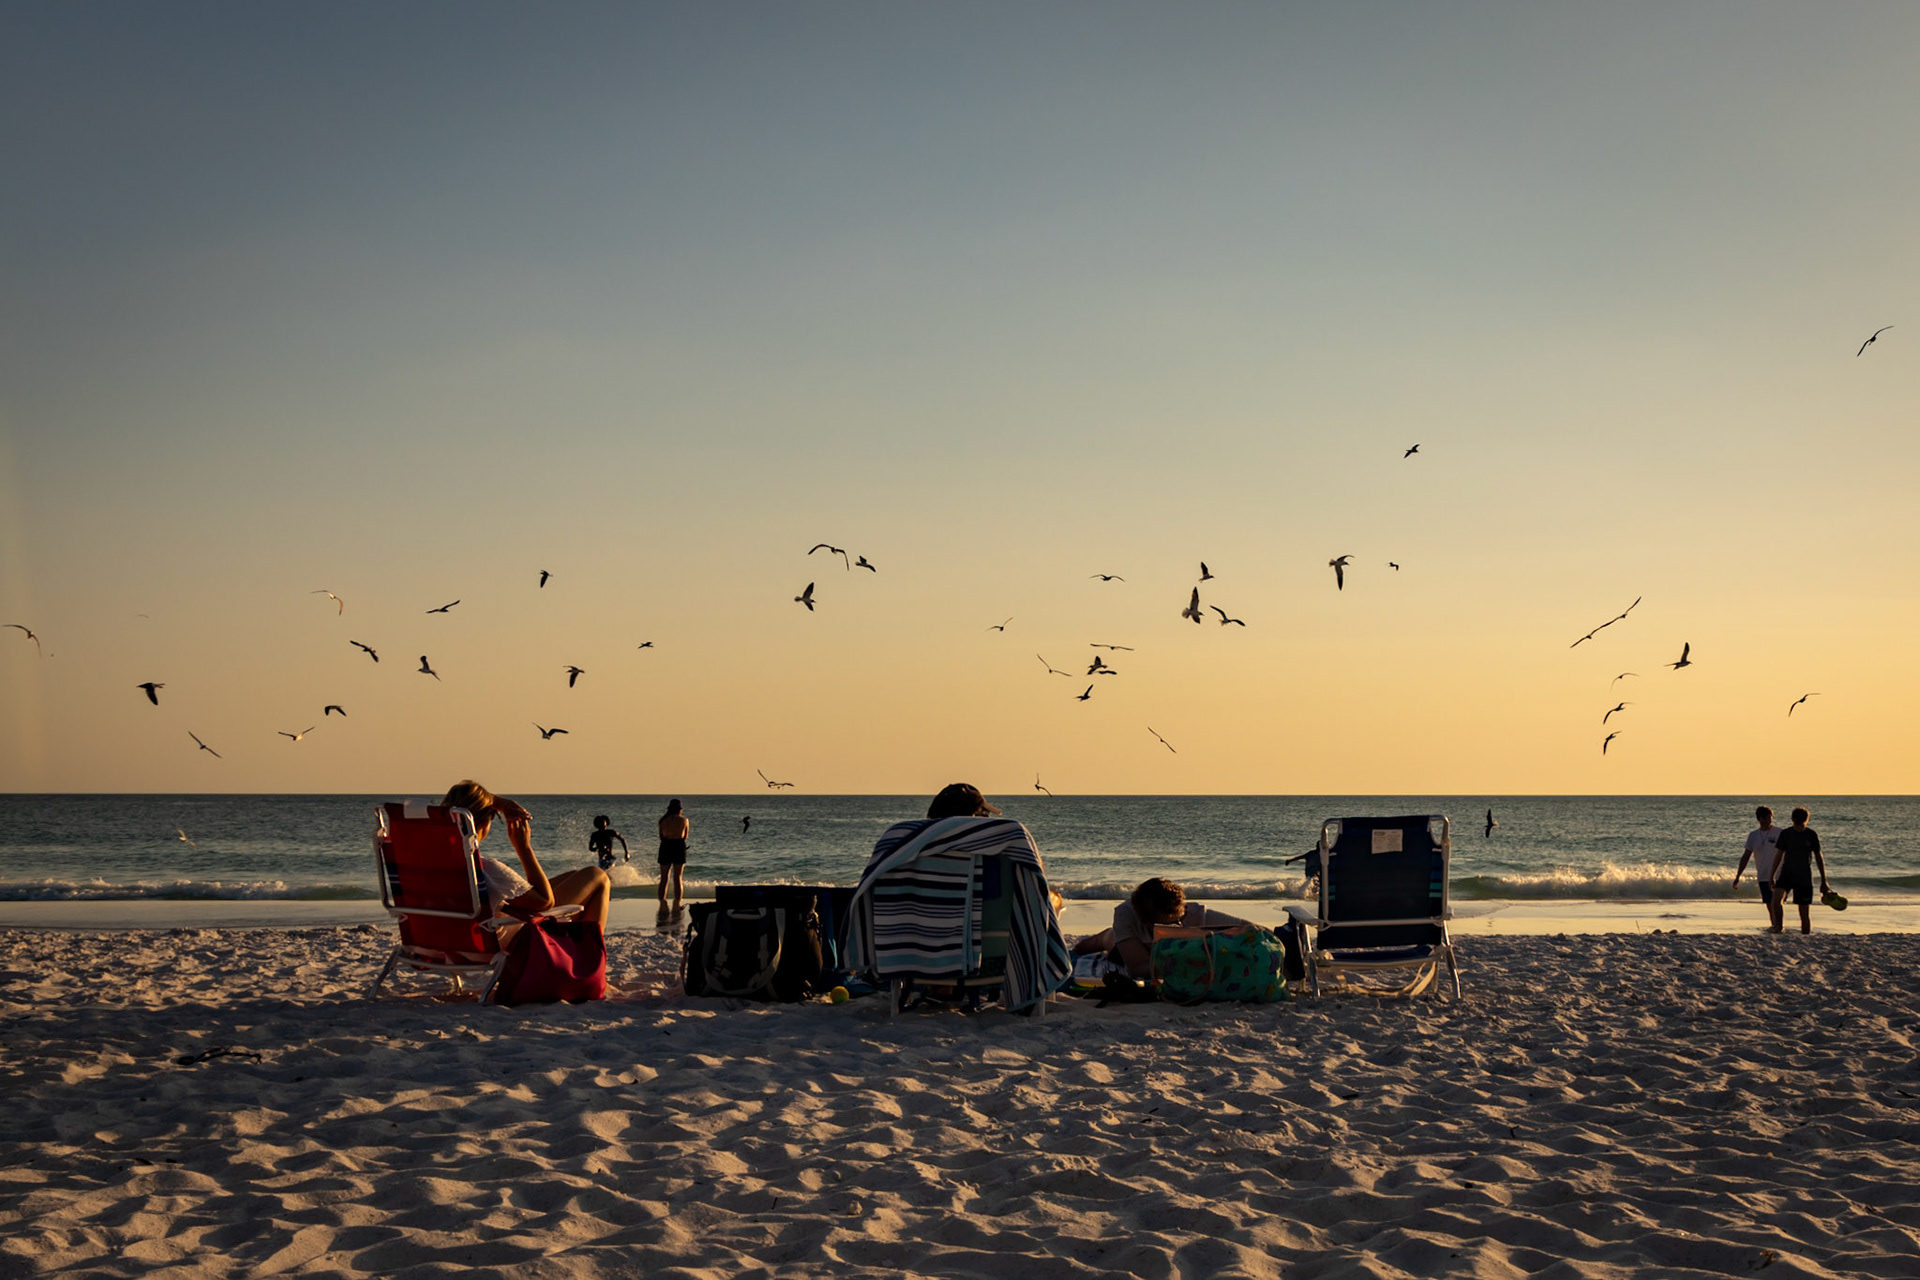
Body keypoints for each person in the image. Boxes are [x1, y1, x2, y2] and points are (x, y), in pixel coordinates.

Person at [441, 780, 611, 929]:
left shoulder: (435, 863)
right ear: (485, 822)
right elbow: (545, 902)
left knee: (575, 877)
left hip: (450, 939)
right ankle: (586, 958)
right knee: (597, 877)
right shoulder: (485, 870)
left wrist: (495, 801)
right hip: (507, 935)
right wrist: (523, 847)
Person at [1077, 877, 1253, 978]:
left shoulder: (1196, 916)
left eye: (1155, 922)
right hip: (1131, 946)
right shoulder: (1127, 914)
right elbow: (1139, 967)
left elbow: (1252, 930)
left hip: (1163, 954)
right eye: (1146, 920)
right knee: (1107, 939)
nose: (1148, 924)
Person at [1770, 806, 1830, 935]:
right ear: (1792, 819)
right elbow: (1779, 855)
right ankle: (1779, 928)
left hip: (1804, 877)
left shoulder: (1811, 834)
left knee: (1804, 912)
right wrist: (1772, 875)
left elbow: (1819, 858)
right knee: (1776, 899)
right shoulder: (1786, 834)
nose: (1799, 821)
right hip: (1786, 874)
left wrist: (1824, 880)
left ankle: (1805, 935)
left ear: (1806, 820)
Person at [1732, 805, 1786, 933]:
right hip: (1763, 875)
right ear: (1758, 819)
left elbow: (1787, 852)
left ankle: (1779, 926)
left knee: (1776, 902)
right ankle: (1775, 925)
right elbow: (1746, 856)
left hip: (1779, 874)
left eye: (1769, 818)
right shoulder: (1753, 835)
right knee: (1769, 903)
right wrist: (1738, 876)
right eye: (1764, 818)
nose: (1767, 820)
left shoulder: (1780, 833)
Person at [657, 799, 690, 912]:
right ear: (680, 809)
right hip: (679, 846)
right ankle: (677, 902)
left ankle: (661, 901)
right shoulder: (684, 820)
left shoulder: (662, 821)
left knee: (664, 878)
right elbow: (685, 836)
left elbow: (661, 837)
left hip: (665, 845)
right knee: (678, 877)